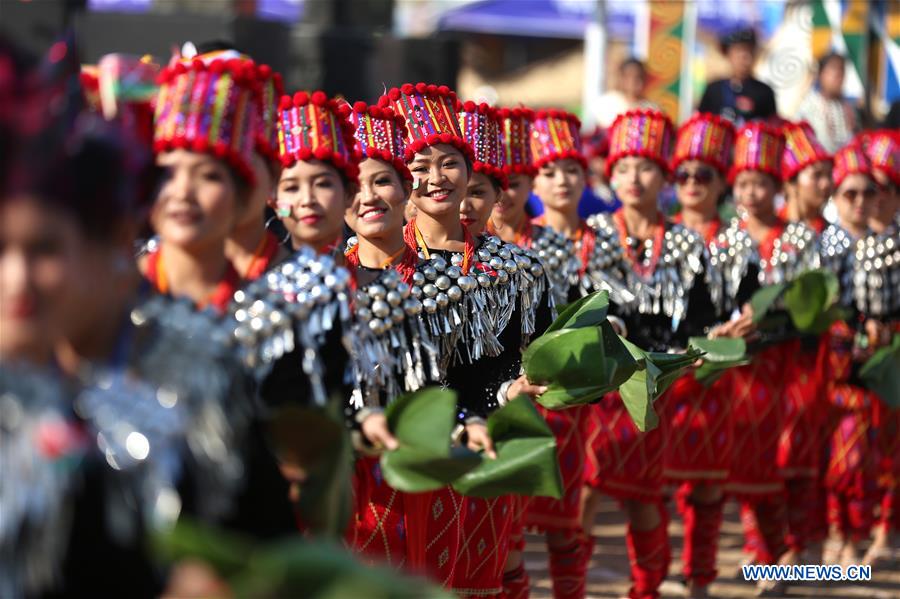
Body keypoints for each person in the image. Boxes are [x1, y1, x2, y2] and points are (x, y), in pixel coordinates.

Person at [383, 82, 554, 598]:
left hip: (482, 449)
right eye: (420, 167)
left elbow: (534, 357)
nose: (436, 179)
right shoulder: (369, 261)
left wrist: (523, 386)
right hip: (395, 457)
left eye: (450, 163)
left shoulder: (517, 267)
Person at [581, 109, 718, 599]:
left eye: (645, 167)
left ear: (664, 176)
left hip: (656, 385)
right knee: (587, 490)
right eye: (623, 168)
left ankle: (646, 589)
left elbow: (702, 316)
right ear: (609, 175)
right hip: (601, 384)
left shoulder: (685, 241)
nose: (633, 178)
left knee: (642, 498)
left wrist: (694, 351)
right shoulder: (591, 233)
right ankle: (569, 586)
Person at [720, 123, 819, 590]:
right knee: (746, 459)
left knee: (782, 457)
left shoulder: (798, 240)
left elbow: (809, 308)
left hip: (786, 365)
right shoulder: (723, 240)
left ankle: (788, 549)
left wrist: (769, 323)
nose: (751, 192)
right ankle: (765, 551)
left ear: (778, 188)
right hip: (736, 367)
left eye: (760, 182)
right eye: (743, 182)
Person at [663, 112, 749, 598]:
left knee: (707, 485)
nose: (693, 183)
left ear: (721, 183)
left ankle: (699, 576)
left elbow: (751, 301)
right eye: (684, 174)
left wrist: (739, 325)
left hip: (715, 375)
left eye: (704, 175)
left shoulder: (736, 239)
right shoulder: (658, 233)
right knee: (649, 487)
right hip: (662, 375)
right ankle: (650, 575)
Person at [142, 52, 259, 312]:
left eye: (208, 176)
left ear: (242, 198)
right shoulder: (106, 305)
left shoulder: (273, 319)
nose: (182, 192)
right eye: (167, 174)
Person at [817, 145, 886, 568]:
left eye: (867, 194)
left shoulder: (889, 246)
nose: (859, 203)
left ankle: (853, 537)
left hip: (869, 368)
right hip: (823, 366)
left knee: (857, 456)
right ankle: (833, 532)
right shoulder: (820, 245)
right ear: (836, 198)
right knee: (823, 455)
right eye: (849, 194)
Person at [273, 91, 359, 256]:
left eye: (323, 184)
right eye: (291, 188)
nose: (307, 200)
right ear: (275, 202)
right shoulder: (256, 281)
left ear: (349, 193)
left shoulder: (387, 282)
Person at [698, 28, 777, 125]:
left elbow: (773, 126)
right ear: (728, 54)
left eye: (749, 51)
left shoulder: (764, 92)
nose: (744, 57)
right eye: (738, 51)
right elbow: (700, 122)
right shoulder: (714, 90)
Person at [796, 53, 860, 154]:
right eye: (833, 69)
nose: (838, 75)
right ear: (821, 74)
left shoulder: (849, 108)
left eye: (841, 70)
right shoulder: (808, 105)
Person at [780, 121, 833, 233]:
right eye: (817, 175)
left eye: (829, 175)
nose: (826, 184)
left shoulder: (831, 235)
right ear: (791, 183)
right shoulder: (773, 233)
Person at [594, 58, 659, 129]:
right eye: (629, 76)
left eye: (638, 76)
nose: (633, 81)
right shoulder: (607, 103)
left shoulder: (652, 109)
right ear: (621, 77)